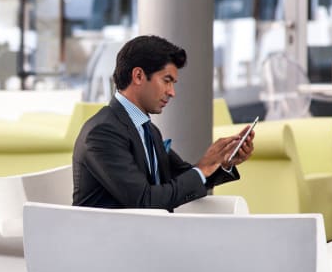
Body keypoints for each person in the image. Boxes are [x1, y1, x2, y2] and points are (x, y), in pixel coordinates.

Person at [73, 35, 254, 210]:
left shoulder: (148, 129)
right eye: (167, 81)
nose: (172, 92)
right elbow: (144, 201)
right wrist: (203, 168)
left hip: (146, 227)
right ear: (138, 76)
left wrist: (222, 162)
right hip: (111, 230)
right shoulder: (102, 132)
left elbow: (182, 177)